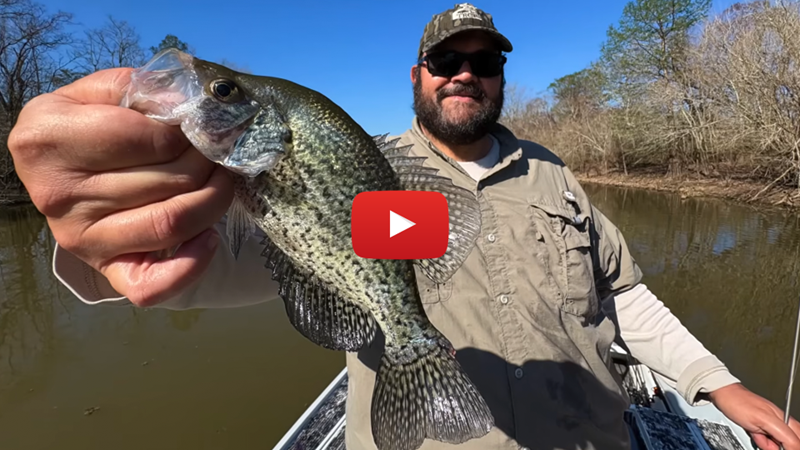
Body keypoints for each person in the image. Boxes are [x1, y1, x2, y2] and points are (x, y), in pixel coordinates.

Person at [7, 3, 800, 450]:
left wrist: (719, 384)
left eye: (484, 61)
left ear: (501, 76)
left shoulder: (554, 172)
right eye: (446, 61)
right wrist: (101, 231)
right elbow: (232, 259)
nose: (465, 73)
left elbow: (619, 294)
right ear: (417, 76)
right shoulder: (378, 177)